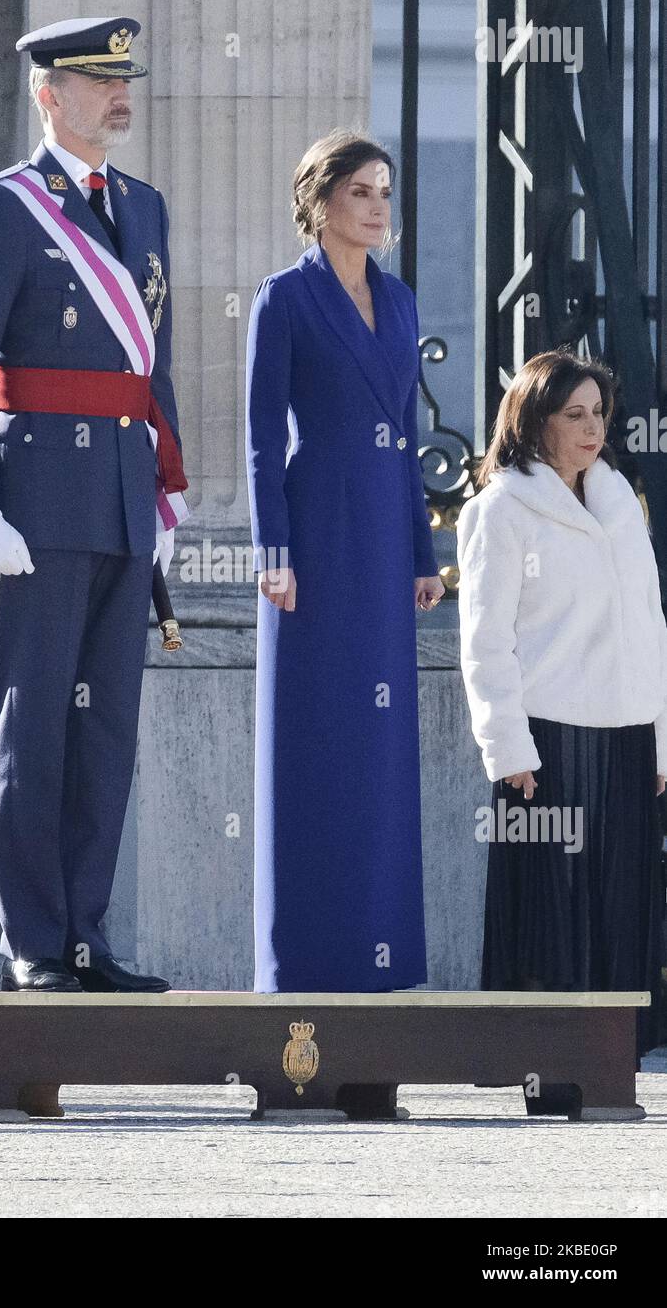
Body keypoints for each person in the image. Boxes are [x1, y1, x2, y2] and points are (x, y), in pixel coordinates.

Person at [0, 17, 187, 993]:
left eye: (124, 80)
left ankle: (88, 939)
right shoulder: (3, 210)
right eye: (96, 81)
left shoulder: (145, 206)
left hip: (122, 504)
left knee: (104, 735)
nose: (119, 96)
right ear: (49, 94)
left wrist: (163, 494)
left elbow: (147, 365)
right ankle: (34, 942)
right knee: (32, 728)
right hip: (33, 508)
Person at [245, 128, 445, 993]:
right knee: (315, 743)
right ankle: (304, 968)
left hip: (381, 549)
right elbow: (259, 437)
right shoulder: (283, 299)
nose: (378, 207)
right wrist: (272, 550)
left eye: (385, 193)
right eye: (361, 192)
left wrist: (422, 551)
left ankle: (384, 962)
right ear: (321, 202)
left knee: (380, 750)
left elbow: (407, 441)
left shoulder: (399, 303)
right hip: (316, 542)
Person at [457, 349, 667, 1064]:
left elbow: (650, 626)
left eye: (600, 414)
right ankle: (543, 1066)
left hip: (628, 737)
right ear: (535, 421)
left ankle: (610, 1066)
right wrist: (507, 747)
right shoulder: (499, 510)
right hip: (547, 740)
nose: (592, 429)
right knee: (551, 909)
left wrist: (662, 744)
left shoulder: (620, 508)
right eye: (574, 415)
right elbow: (485, 641)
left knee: (619, 905)